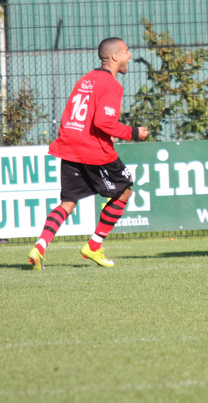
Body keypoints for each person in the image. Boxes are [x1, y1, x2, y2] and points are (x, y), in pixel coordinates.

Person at [27, 38, 149, 270]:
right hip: (92, 150)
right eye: (126, 51)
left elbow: (78, 115)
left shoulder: (86, 80)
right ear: (115, 57)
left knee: (68, 203)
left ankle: (39, 247)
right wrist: (133, 132)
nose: (130, 55)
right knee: (124, 191)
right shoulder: (112, 85)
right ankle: (94, 245)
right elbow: (103, 121)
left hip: (70, 147)